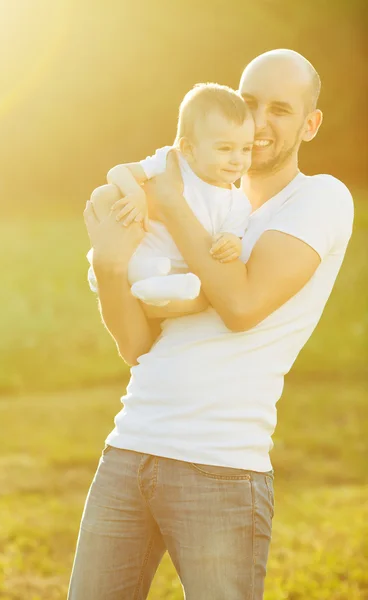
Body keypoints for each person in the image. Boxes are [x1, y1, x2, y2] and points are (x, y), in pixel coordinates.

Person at [68, 49, 354, 600]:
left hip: (220, 467)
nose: (262, 122)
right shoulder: (214, 204)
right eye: (250, 103)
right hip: (131, 446)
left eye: (282, 109)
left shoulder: (321, 199)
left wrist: (171, 201)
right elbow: (135, 346)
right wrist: (108, 265)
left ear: (310, 123)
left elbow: (241, 306)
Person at [87, 83, 254, 308]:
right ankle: (121, 274)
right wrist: (135, 192)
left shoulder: (238, 203)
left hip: (178, 270)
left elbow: (232, 237)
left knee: (190, 290)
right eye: (224, 149)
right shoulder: (171, 162)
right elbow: (118, 172)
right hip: (141, 251)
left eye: (246, 149)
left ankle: (155, 288)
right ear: (188, 148)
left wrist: (232, 243)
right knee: (108, 200)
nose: (237, 159)